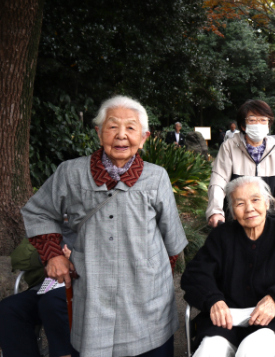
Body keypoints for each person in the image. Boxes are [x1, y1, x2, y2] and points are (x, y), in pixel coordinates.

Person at [21, 95, 188, 356]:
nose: (121, 135)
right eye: (112, 127)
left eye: (131, 128)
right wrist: (53, 254)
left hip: (146, 294)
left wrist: (153, 277)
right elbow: (38, 212)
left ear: (144, 137)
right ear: (99, 133)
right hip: (92, 288)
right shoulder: (70, 172)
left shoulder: (157, 177)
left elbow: (172, 242)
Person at [181, 177, 275, 357]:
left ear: (267, 202)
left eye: (255, 200)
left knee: (252, 350)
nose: (249, 208)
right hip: (226, 320)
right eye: (240, 203)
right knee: (209, 351)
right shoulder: (221, 237)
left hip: (273, 319)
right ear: (232, 211)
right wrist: (213, 300)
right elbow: (195, 275)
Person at [206, 100, 275, 227]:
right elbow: (218, 181)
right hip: (236, 217)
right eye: (252, 120)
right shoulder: (229, 147)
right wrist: (215, 211)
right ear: (243, 125)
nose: (258, 124)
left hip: (268, 218)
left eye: (263, 120)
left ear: (269, 124)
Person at [0, 241, 73, 357]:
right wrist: (48, 256)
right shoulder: (43, 228)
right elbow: (18, 257)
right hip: (48, 286)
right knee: (9, 308)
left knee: (52, 302)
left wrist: (74, 257)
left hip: (87, 289)